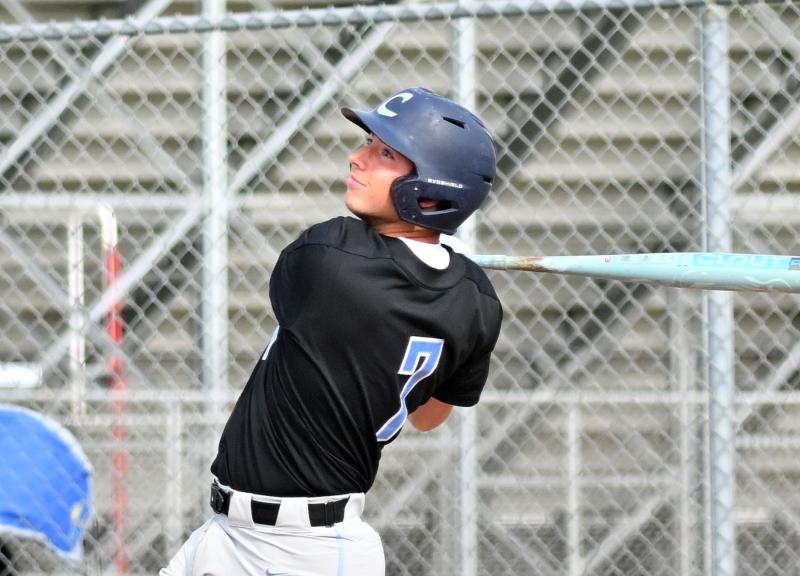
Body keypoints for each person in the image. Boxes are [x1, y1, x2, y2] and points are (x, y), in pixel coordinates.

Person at [160, 87, 503, 576]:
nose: (357, 158)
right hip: (233, 535)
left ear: (430, 191)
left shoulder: (329, 254)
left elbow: (355, 282)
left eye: (385, 154)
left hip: (303, 552)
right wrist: (442, 276)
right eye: (368, 144)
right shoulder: (477, 303)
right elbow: (428, 416)